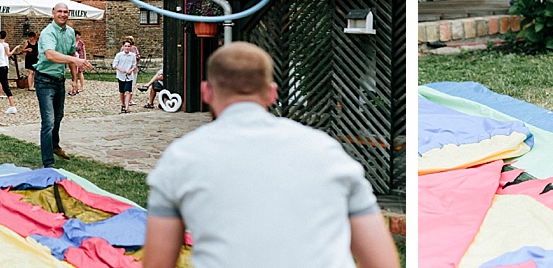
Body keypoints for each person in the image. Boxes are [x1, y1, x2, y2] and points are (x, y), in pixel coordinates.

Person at [143, 42, 398, 268]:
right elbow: (381, 261)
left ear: (206, 92)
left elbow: (158, 263)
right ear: (272, 93)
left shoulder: (180, 158)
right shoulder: (327, 151)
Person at [35, 4, 94, 168]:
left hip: (59, 80)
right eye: (59, 11)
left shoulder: (70, 32)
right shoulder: (48, 32)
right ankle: (48, 163)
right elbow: (50, 55)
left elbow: (70, 55)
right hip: (44, 80)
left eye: (65, 12)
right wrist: (75, 59)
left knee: (58, 116)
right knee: (48, 121)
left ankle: (54, 145)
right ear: (53, 13)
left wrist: (74, 80)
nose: (62, 14)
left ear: (69, 14)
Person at [111, 40, 138, 114]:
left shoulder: (132, 55)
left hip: (129, 76)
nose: (127, 48)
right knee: (122, 91)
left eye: (128, 46)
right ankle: (123, 104)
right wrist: (121, 70)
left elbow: (134, 65)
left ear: (131, 47)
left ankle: (127, 107)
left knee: (128, 91)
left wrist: (131, 70)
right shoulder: (119, 55)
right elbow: (114, 65)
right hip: (121, 75)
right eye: (125, 46)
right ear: (123, 47)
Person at [123, 36, 141, 106]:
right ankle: (127, 99)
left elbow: (138, 56)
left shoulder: (134, 48)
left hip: (133, 69)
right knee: (126, 84)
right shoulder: (123, 49)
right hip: (125, 69)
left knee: (132, 84)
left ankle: (129, 99)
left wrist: (137, 57)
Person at [70, 30, 87, 95]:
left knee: (80, 72)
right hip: (74, 58)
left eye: (79, 35)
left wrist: (84, 59)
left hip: (80, 57)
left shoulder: (81, 43)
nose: (79, 37)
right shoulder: (72, 42)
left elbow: (84, 51)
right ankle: (75, 85)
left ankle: (82, 86)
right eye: (78, 35)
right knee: (74, 72)